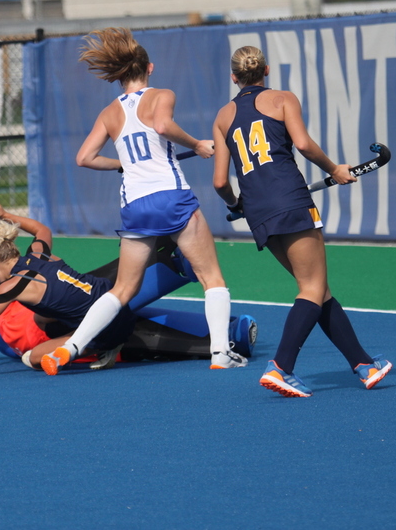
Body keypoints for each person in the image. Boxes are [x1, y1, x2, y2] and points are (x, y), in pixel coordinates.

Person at [37, 27, 247, 376]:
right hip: (171, 198)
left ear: (119, 74)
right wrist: (196, 144)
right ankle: (220, 353)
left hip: (135, 206)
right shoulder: (162, 94)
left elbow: (84, 157)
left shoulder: (109, 112)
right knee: (212, 278)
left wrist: (120, 164)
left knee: (122, 289)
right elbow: (163, 126)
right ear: (149, 68)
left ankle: (70, 347)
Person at [212, 45, 392, 397]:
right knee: (311, 288)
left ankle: (363, 364)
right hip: (291, 201)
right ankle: (280, 367)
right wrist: (334, 170)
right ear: (266, 70)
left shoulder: (222, 116)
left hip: (260, 213)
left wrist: (237, 204)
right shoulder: (282, 99)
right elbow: (304, 145)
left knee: (318, 289)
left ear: (234, 77)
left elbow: (220, 182)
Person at [0, 196, 137, 370]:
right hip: (117, 300)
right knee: (40, 317)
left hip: (109, 328)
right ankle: (83, 334)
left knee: (31, 358)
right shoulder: (39, 253)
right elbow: (41, 229)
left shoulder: (12, 286)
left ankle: (101, 347)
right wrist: (4, 216)